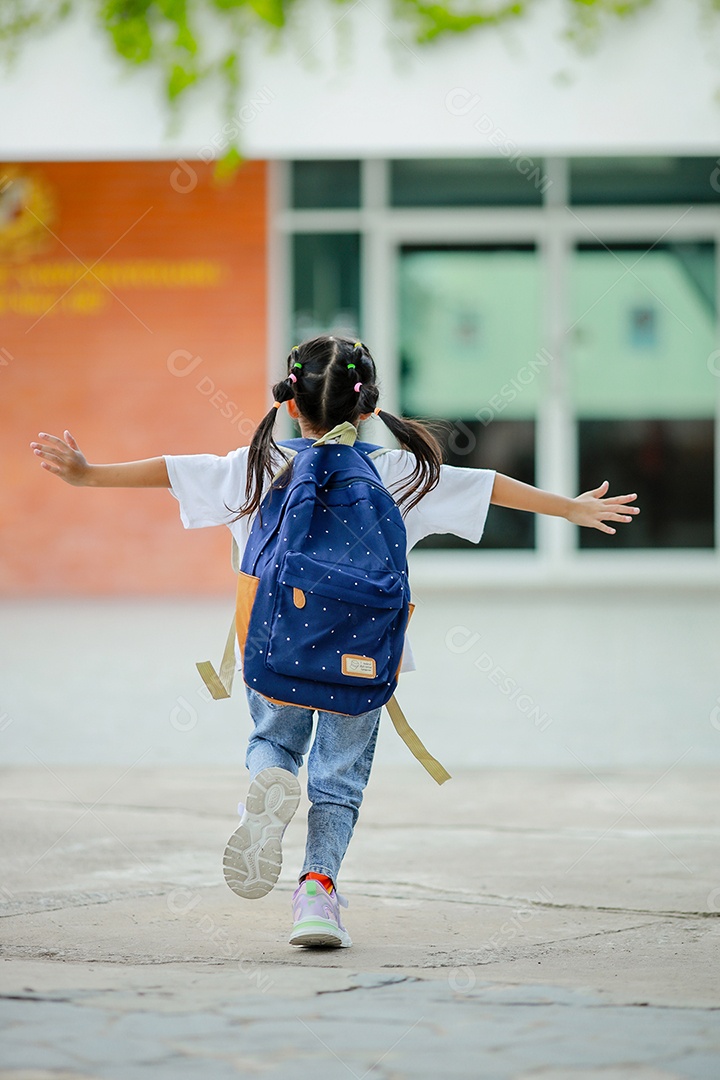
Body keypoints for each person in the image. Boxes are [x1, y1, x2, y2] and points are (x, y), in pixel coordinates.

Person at [30, 334, 639, 949]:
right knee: (338, 781)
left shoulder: (256, 465)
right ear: (368, 408)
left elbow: (170, 470)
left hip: (274, 647)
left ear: (291, 403)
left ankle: (266, 789)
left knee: (274, 742)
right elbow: (488, 484)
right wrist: (569, 510)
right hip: (364, 656)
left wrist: (87, 475)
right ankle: (317, 897)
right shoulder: (400, 472)